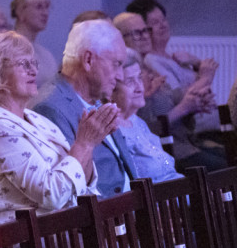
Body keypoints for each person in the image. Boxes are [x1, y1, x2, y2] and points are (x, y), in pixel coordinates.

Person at [0, 31, 104, 230]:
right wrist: (84, 143)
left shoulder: (37, 119)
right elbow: (51, 194)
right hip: (18, 242)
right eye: (23, 64)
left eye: (34, 63)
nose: (33, 71)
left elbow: (81, 186)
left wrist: (88, 145)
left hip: (55, 233)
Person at [34, 19, 136, 198]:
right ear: (88, 60)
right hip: (109, 218)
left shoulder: (97, 97)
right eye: (116, 64)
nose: (120, 76)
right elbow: (71, 188)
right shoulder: (51, 107)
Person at [114, 12, 215, 165]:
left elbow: (177, 97)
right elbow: (146, 127)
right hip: (168, 152)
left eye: (146, 30)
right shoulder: (123, 76)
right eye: (136, 33)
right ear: (120, 39)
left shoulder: (148, 67)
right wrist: (186, 106)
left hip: (183, 143)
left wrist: (197, 103)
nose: (145, 36)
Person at [111, 49, 183, 182]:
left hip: (177, 192)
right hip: (160, 200)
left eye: (139, 78)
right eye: (130, 82)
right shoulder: (114, 131)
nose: (140, 87)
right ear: (110, 90)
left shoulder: (137, 122)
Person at [10, 0, 57, 87]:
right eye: (39, 7)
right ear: (20, 11)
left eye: (47, 7)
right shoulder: (8, 49)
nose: (45, 13)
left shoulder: (45, 55)